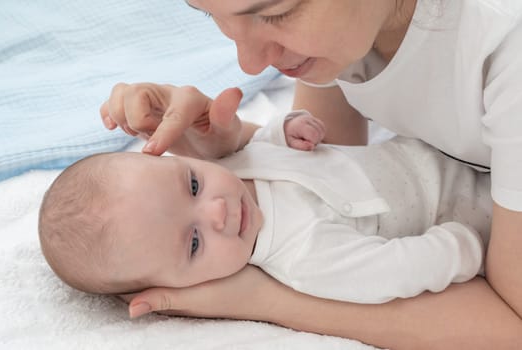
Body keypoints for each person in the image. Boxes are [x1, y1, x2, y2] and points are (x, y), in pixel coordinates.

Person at [98, 0, 522, 348]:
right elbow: (332, 161)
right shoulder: (349, 34)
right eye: (211, 14)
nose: (248, 64)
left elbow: (510, 326)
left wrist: (262, 298)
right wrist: (227, 149)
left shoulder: (506, 49)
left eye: (275, 12)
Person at [39, 111, 488, 305]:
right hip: (468, 211)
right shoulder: (303, 259)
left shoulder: (233, 165)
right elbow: (396, 271)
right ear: (180, 286)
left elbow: (263, 143)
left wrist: (288, 128)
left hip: (438, 148)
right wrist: (462, 247)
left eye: (192, 184)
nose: (216, 211)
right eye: (194, 242)